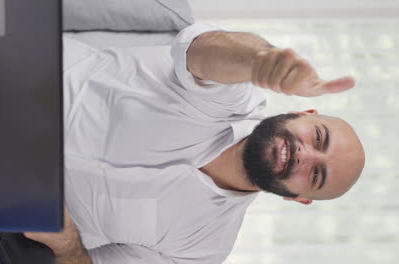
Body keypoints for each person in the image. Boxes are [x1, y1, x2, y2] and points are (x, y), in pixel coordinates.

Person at [19, 24, 365, 264]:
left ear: (299, 197)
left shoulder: (203, 249)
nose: (305, 154)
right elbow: (200, 51)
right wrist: (262, 61)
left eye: (316, 174)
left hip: (3, 192)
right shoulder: (228, 94)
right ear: (303, 113)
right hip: (17, 72)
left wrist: (65, 242)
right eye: (318, 137)